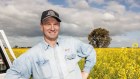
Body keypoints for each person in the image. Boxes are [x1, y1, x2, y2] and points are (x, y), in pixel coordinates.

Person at [5, 9, 96, 79]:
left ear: (59, 26)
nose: (52, 28)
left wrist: (85, 72)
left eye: (55, 24)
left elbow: (90, 51)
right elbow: (12, 75)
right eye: (48, 24)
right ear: (41, 27)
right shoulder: (33, 54)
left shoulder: (72, 42)